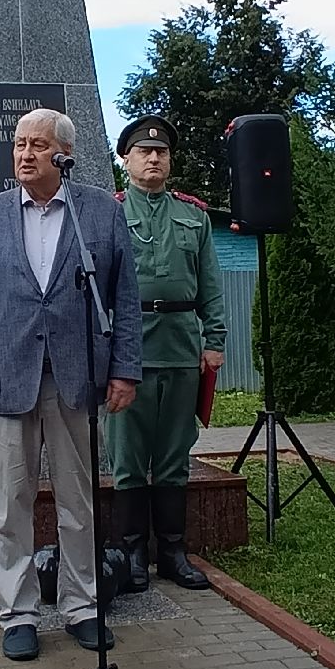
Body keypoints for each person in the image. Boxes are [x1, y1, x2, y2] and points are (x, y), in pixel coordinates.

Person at [0, 108, 142, 661]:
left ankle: (82, 606)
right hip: (8, 378)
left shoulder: (99, 214)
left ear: (63, 154)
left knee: (78, 502)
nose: (24, 154)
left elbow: (123, 298)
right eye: (18, 144)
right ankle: (19, 614)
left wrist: (125, 368)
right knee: (9, 504)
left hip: (75, 379)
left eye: (37, 145)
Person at [107, 114, 226, 592]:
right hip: (130, 348)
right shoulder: (110, 214)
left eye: (161, 152)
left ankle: (174, 552)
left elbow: (211, 285)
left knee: (175, 453)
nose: (153, 158)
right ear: (126, 160)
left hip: (181, 346)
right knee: (128, 456)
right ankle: (133, 552)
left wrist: (214, 340)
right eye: (143, 151)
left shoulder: (193, 216)